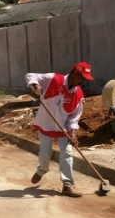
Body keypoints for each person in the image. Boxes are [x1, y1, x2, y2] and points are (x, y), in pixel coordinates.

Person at [24, 62, 93, 198]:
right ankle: (41, 170)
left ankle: (67, 185)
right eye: (82, 77)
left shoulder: (78, 94)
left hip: (63, 127)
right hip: (45, 123)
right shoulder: (54, 79)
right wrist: (36, 86)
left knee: (67, 153)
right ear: (74, 73)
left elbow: (74, 116)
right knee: (45, 154)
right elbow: (30, 75)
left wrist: (73, 134)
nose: (84, 81)